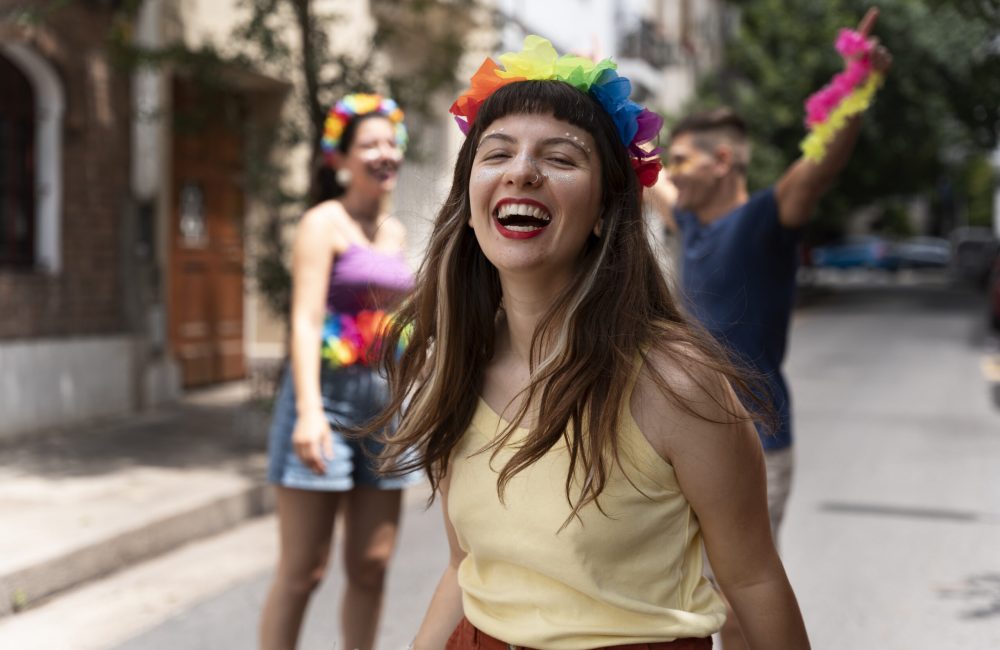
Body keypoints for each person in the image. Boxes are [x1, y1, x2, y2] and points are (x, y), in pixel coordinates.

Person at [364, 36, 810, 650]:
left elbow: (755, 584)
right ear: (469, 203)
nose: (522, 170)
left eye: (562, 158)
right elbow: (464, 570)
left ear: (605, 210)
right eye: (497, 153)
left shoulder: (678, 385)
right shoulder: (455, 364)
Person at [646, 9, 892, 650]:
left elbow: (820, 164)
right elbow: (641, 167)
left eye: (682, 161)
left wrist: (858, 84)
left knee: (738, 595)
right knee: (705, 597)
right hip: (689, 439)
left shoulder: (764, 219)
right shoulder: (693, 227)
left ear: (723, 160)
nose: (669, 174)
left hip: (759, 438)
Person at [259, 93, 419, 650]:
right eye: (368, 143)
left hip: (385, 405)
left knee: (372, 565)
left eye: (389, 141)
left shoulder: (396, 233)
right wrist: (308, 413)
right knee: (304, 569)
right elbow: (304, 322)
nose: (384, 152)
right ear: (341, 159)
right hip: (325, 399)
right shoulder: (323, 223)